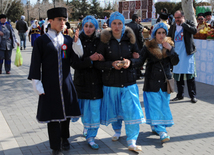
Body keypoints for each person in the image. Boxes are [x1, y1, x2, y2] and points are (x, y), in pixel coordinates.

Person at [28, 7, 81, 155]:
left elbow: (74, 62)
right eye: (59, 20)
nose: (63, 23)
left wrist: (77, 45)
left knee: (66, 115)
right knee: (52, 117)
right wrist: (36, 83)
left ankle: (65, 138)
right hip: (49, 85)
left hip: (66, 83)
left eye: (64, 20)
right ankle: (55, 146)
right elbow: (35, 63)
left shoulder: (67, 40)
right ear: (50, 21)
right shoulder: (41, 41)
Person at [94, 11, 145, 152]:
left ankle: (132, 141)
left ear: (124, 24)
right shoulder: (104, 41)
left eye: (120, 23)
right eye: (114, 23)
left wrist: (130, 61)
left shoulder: (131, 40)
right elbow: (98, 64)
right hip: (111, 83)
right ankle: (117, 131)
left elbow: (139, 59)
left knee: (132, 112)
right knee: (115, 110)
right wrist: (111, 64)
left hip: (129, 82)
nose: (117, 26)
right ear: (110, 24)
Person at [139, 22, 179, 143]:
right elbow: (140, 61)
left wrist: (170, 49)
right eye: (158, 33)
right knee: (155, 107)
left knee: (164, 106)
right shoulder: (148, 46)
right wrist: (130, 61)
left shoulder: (170, 45)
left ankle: (156, 126)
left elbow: (176, 61)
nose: (161, 35)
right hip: (152, 82)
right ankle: (162, 131)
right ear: (154, 34)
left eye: (163, 33)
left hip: (165, 82)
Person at [71, 15, 104, 150]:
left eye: (91, 26)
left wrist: (101, 59)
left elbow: (103, 59)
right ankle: (86, 127)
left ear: (95, 27)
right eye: (86, 26)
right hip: (82, 82)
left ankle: (91, 136)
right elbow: (74, 63)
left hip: (96, 82)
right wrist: (90, 59)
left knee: (95, 111)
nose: (88, 29)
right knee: (84, 110)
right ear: (82, 26)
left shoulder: (100, 41)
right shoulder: (77, 41)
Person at [168, 10, 197, 103]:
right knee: (178, 77)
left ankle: (193, 96)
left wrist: (184, 24)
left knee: (190, 76)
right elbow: (169, 37)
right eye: (175, 18)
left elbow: (194, 31)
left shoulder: (188, 23)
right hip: (177, 55)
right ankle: (180, 95)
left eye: (178, 18)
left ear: (183, 17)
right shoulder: (173, 26)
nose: (177, 20)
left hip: (187, 54)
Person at [126, 14, 144, 79]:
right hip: (137, 45)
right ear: (136, 19)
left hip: (128, 46)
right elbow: (140, 38)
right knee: (137, 60)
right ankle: (138, 74)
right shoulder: (138, 26)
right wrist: (142, 46)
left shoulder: (127, 26)